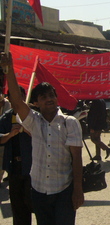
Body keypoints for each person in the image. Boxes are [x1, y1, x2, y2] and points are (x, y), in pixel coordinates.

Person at [1, 53, 84, 225]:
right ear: (36, 103)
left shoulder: (70, 123)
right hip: (38, 192)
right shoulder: (34, 122)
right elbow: (17, 102)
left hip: (64, 191)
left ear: (56, 98)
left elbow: (76, 158)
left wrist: (78, 189)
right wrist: (9, 70)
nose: (48, 99)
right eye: (43, 97)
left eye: (51, 95)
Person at [0, 86, 33, 225]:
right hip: (14, 169)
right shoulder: (7, 117)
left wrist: (28, 130)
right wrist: (9, 135)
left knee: (35, 205)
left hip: (33, 169)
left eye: (20, 96)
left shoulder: (33, 116)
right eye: (14, 96)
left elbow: (46, 136)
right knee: (18, 209)